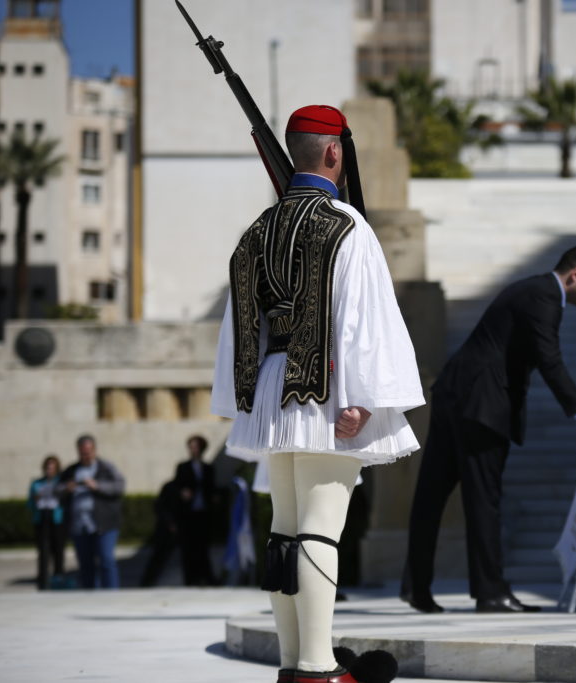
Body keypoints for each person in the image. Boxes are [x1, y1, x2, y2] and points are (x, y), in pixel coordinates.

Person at [211, 104, 423, 683]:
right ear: (334, 153)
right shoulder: (345, 224)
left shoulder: (256, 230)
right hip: (326, 389)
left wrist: (245, 398)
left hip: (273, 391)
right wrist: (361, 395)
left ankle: (290, 664)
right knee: (319, 530)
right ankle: (317, 667)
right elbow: (361, 316)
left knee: (284, 533)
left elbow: (240, 325)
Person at [401, 245, 576, 614]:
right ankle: (490, 593)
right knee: (483, 498)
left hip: (456, 394)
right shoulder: (544, 296)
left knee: (431, 496)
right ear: (575, 274)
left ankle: (416, 586)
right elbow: (550, 360)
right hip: (481, 404)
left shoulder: (533, 290)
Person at [58, 435, 125, 589]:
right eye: (82, 453)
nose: (85, 456)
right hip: (79, 524)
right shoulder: (71, 470)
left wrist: (97, 486)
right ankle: (89, 595)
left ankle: (112, 594)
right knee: (85, 563)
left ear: (94, 450)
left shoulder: (106, 467)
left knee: (106, 559)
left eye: (88, 452)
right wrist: (66, 489)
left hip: (104, 523)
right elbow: (57, 489)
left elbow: (119, 486)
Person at [174, 434, 218, 586]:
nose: (193, 450)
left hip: (203, 513)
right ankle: (190, 579)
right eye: (191, 447)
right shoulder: (183, 467)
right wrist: (182, 493)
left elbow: (212, 488)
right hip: (187, 514)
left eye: (195, 446)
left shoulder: (208, 468)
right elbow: (176, 487)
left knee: (202, 548)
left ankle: (205, 577)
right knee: (187, 548)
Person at [27, 455, 66, 589]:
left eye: (52, 468)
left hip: (57, 520)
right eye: (47, 467)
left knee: (58, 551)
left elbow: (66, 500)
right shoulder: (37, 483)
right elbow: (30, 504)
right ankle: (43, 582)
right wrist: (36, 499)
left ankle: (58, 580)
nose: (49, 470)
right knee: (43, 552)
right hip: (42, 519)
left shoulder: (61, 483)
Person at [139, 478, 181, 587]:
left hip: (179, 528)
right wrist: (170, 522)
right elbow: (160, 506)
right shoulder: (171, 487)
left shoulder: (189, 487)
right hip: (166, 529)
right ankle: (148, 582)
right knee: (159, 557)